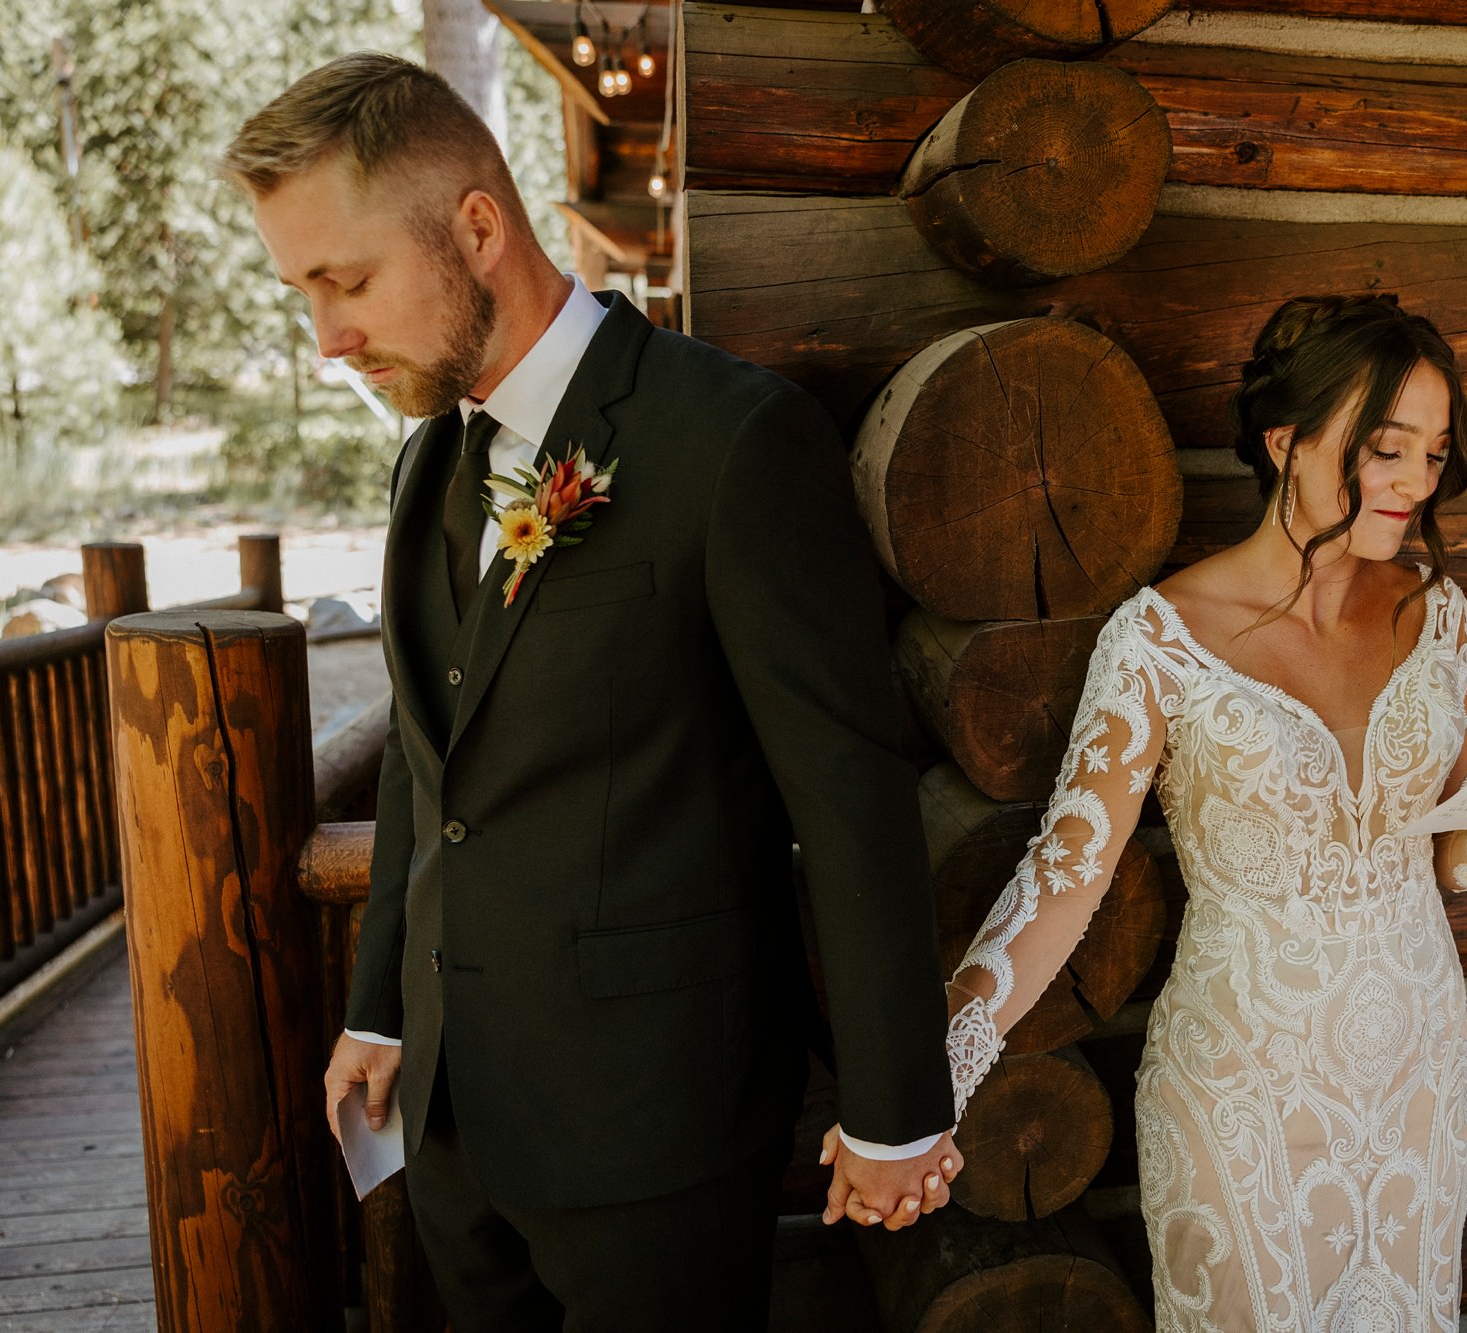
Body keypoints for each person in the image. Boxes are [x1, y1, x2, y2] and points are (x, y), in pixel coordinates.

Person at [222, 54, 957, 1329]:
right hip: (453, 1124)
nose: (327, 337)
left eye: (345, 282)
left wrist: (895, 1106)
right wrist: (386, 1009)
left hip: (655, 1132)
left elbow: (846, 792)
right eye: (302, 293)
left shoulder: (727, 439)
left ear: (478, 226)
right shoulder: (425, 467)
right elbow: (421, 746)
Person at [940, 294, 1467, 1331]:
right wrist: (937, 1063)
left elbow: (1453, 854)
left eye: (1433, 453)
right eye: (1385, 448)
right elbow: (1063, 881)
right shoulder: (1158, 637)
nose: (1415, 482)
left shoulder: (1438, 611)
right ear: (1284, 441)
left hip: (1416, 1075)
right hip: (1242, 1088)